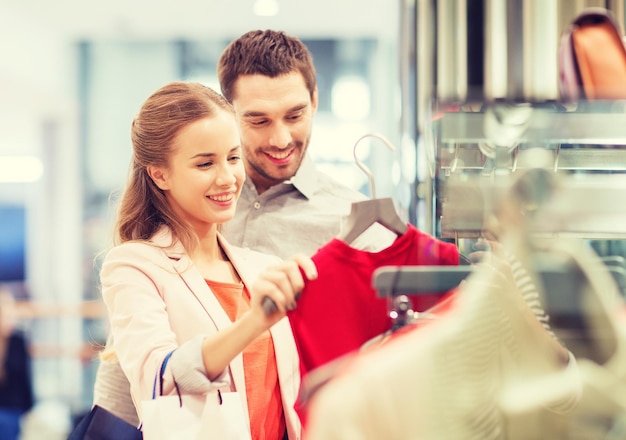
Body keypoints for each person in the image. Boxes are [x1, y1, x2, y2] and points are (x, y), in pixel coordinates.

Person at [93, 81, 317, 440]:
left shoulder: (263, 268)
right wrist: (256, 320)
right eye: (205, 163)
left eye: (232, 157)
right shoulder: (133, 266)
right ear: (159, 173)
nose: (227, 178)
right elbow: (159, 378)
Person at [217, 29, 396, 259]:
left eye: (294, 117)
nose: (281, 140)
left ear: (314, 101)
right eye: (260, 121)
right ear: (228, 112)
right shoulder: (196, 205)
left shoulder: (358, 225)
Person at [0, 288, 34, 440]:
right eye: (5, 315)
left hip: (13, 410)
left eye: (11, 314)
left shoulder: (18, 342)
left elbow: (26, 381)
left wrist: (29, 412)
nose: (11, 320)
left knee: (4, 424)